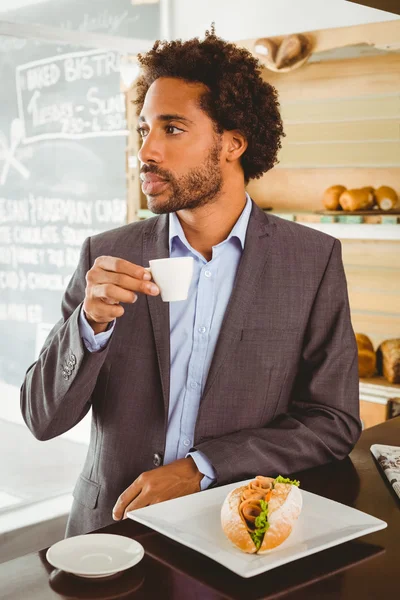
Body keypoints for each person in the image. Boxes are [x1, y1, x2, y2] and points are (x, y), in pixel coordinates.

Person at [21, 26, 361, 537]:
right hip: (110, 533)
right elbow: (42, 419)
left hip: (231, 533)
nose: (147, 151)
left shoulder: (310, 261)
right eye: (143, 130)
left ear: (233, 143)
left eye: (172, 129)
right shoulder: (107, 256)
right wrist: (88, 325)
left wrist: (201, 467)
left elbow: (332, 422)